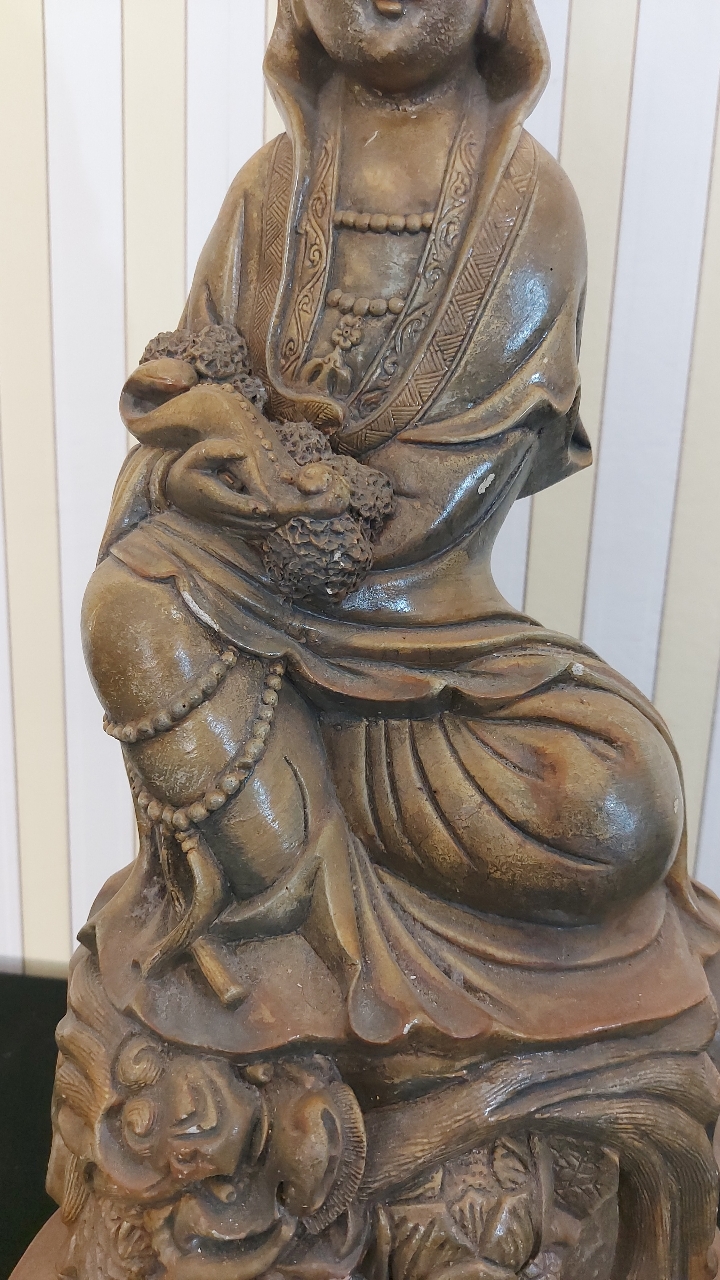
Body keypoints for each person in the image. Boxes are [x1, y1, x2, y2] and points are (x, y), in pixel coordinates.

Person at [54, 1, 720, 1274]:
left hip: (438, 662)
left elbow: (436, 503)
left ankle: (288, 894)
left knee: (622, 796)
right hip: (251, 642)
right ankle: (274, 929)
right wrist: (207, 464)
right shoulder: (272, 195)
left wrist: (274, 485)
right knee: (129, 608)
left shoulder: (529, 211)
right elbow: (179, 389)